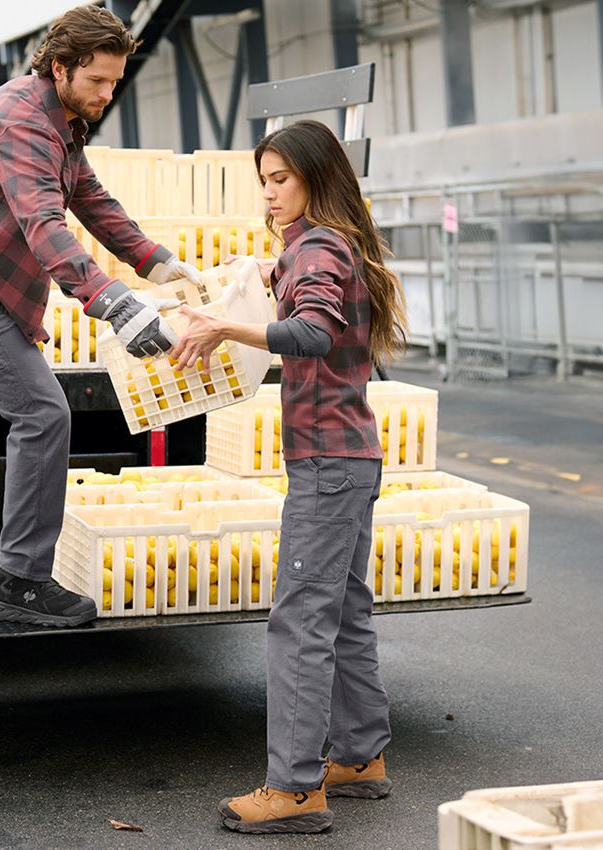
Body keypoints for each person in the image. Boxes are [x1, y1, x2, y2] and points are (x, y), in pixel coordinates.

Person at [0, 4, 200, 628]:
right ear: (60, 67)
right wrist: (115, 304)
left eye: (115, 82)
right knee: (42, 411)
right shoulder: (23, 123)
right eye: (98, 82)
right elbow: (45, 226)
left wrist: (155, 260)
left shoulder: (57, 116)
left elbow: (87, 195)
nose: (108, 94)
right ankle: (21, 582)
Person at [170, 120, 409, 834]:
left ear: (315, 177)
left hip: (327, 466)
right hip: (352, 456)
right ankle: (360, 756)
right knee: (341, 611)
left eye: (281, 179)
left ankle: (296, 789)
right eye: (264, 181)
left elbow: (313, 330)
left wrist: (224, 328)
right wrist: (257, 278)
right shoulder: (328, 246)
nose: (269, 194)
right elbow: (304, 292)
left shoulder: (316, 247)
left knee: (300, 620)